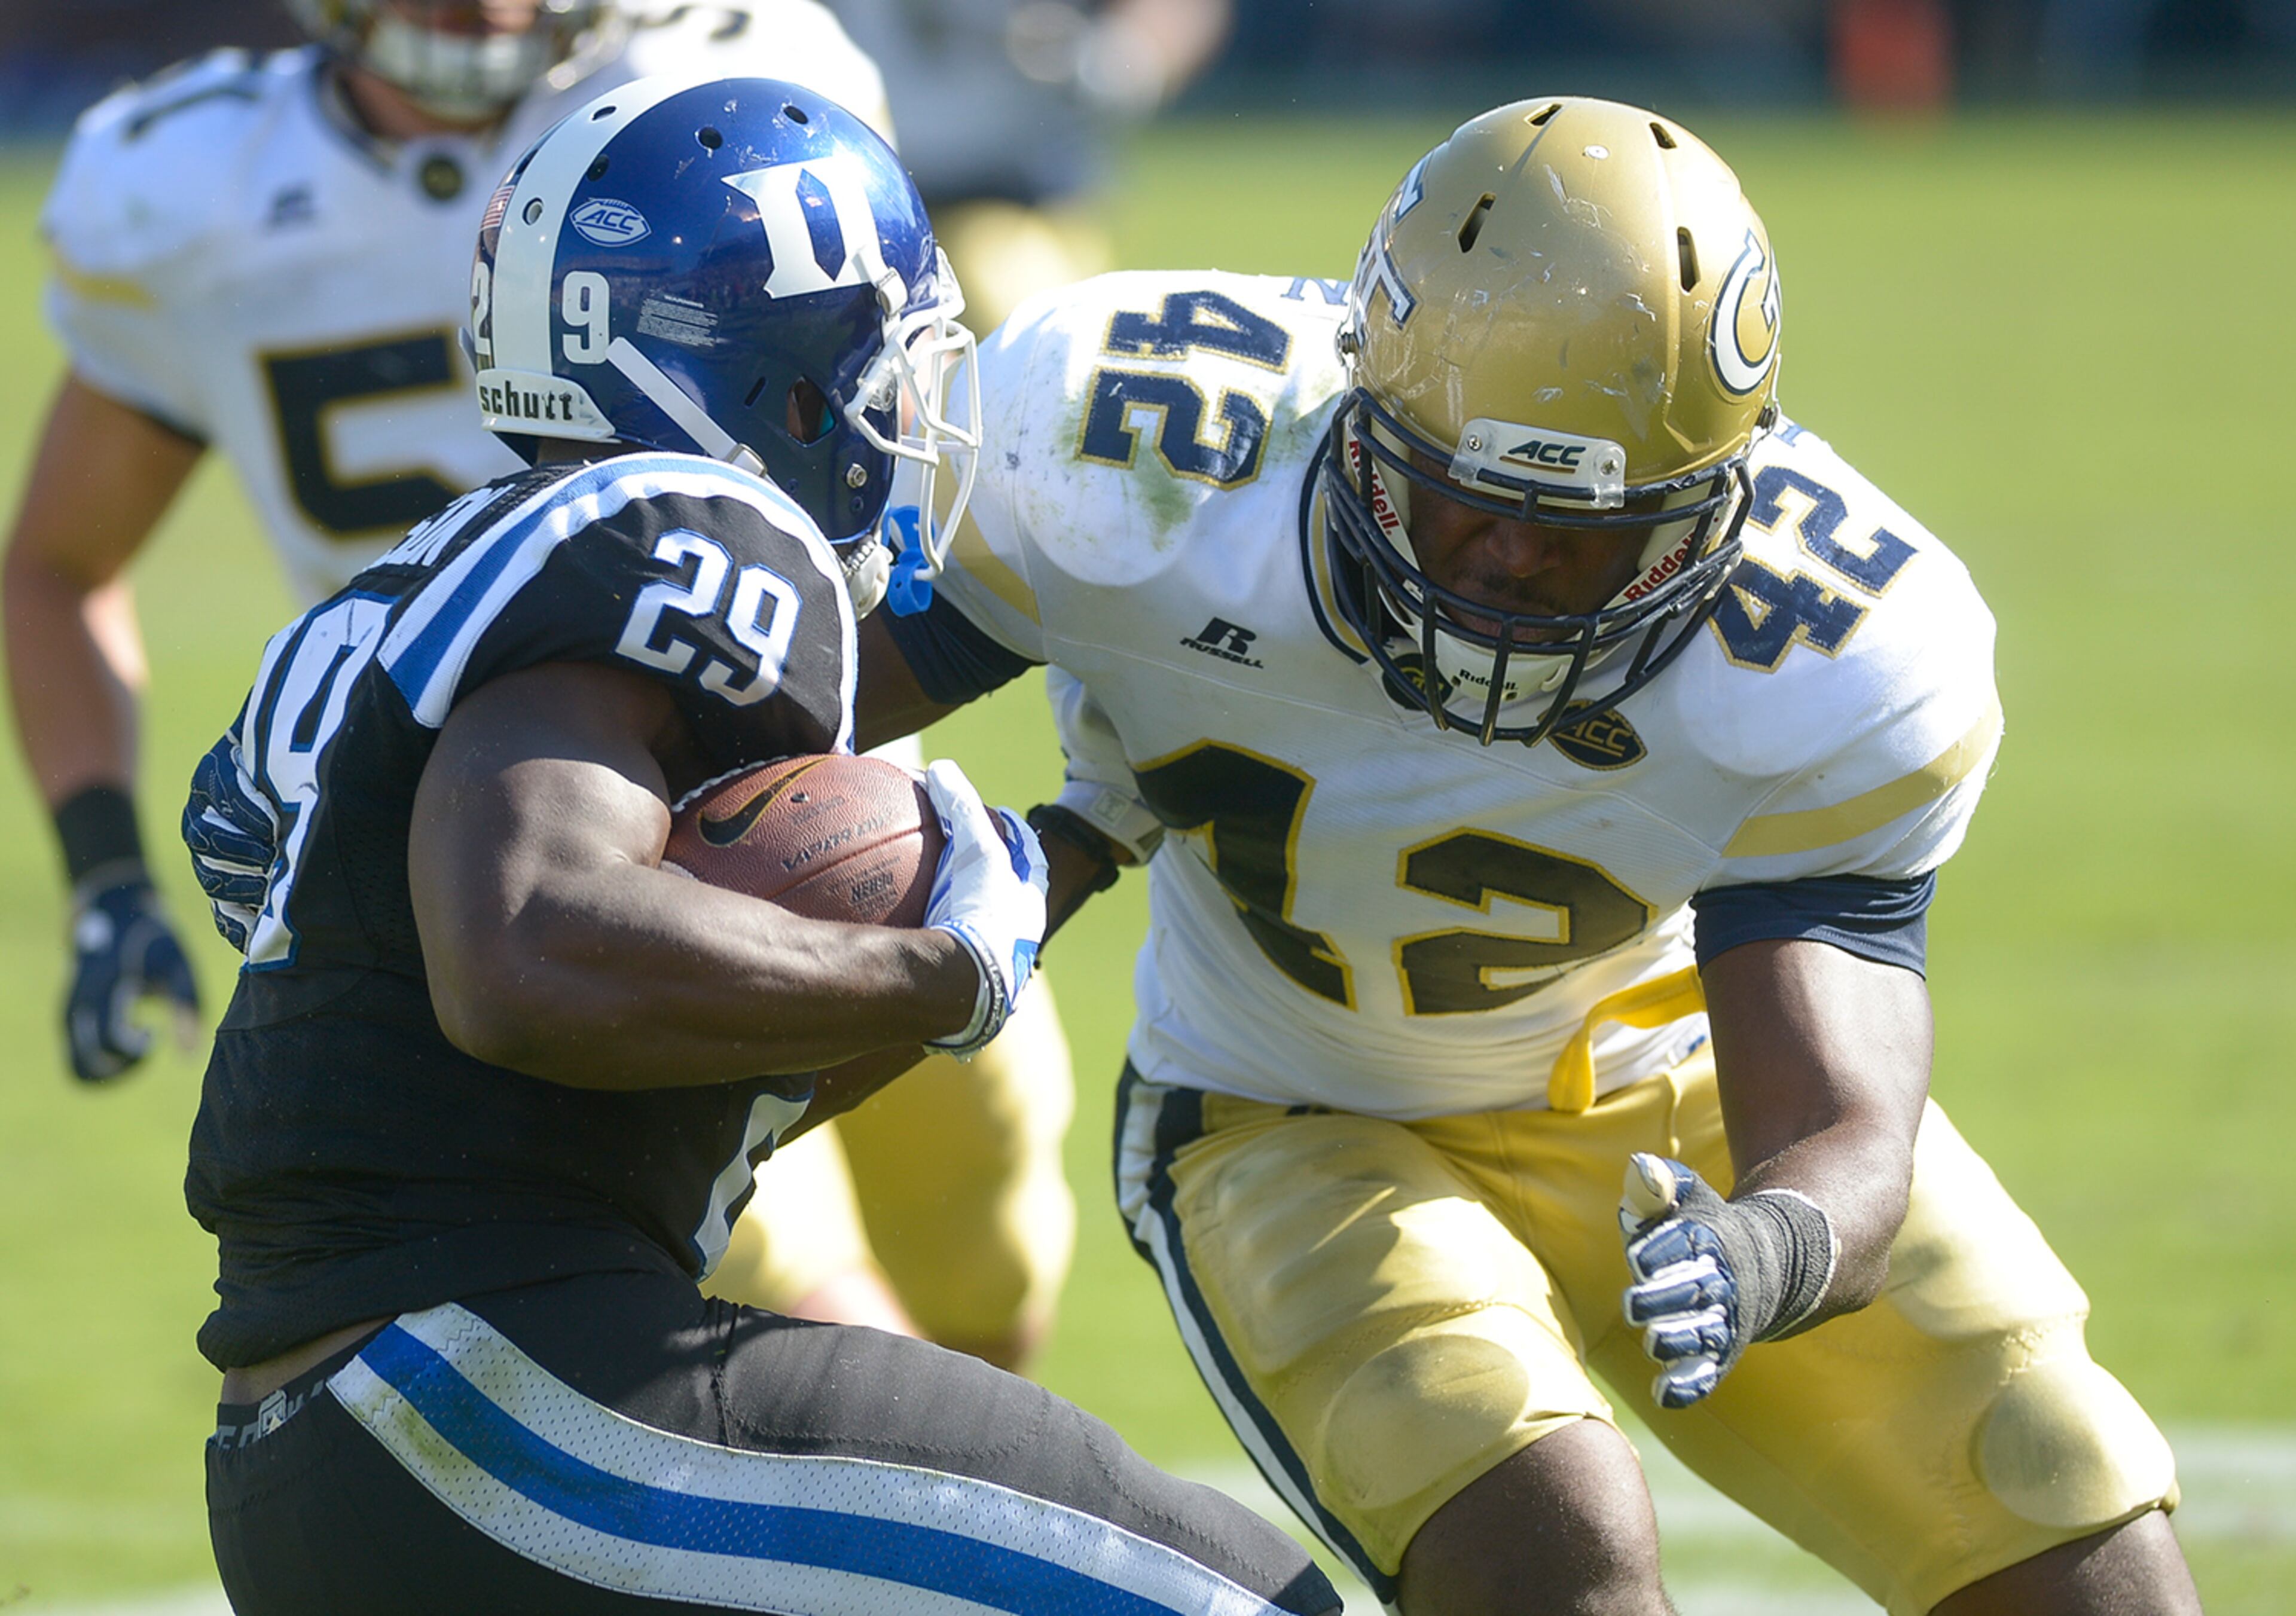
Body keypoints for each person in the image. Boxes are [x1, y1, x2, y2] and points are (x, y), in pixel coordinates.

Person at [853, 98, 2205, 1614]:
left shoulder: (1843, 653)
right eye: (1467, 504)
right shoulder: (1128, 446)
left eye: (1585, 535)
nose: (1509, 571)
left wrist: (1769, 1244)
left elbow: (1847, 1135)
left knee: (2072, 1523)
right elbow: (791, 704)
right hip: (1284, 1107)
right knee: (1548, 1541)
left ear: (1715, 504)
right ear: (1359, 413)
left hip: (1656, 1063)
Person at [178, 75, 1339, 1615]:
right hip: (494, 1386)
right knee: (1244, 1598)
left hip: (327, 1443)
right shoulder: (696, 529)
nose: (906, 414)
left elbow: (624, 1059)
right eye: (880, 366)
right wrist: (936, 970)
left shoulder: (405, 600)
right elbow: (524, 947)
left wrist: (1078, 839)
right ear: (790, 387)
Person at [11, 0, 1076, 1367]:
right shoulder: (188, 182)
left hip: (796, 746)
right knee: (826, 1327)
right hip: (504, 812)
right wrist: (102, 868)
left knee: (990, 1273)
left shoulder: (725, 77)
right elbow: (60, 557)